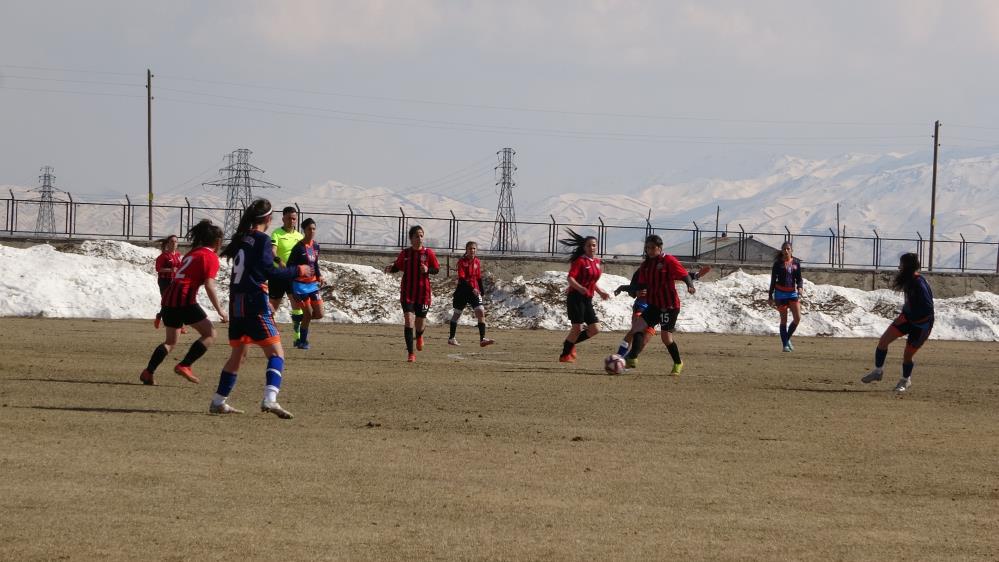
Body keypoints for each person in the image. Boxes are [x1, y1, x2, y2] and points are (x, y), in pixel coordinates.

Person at [210, 199, 310, 418]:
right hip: (254, 302)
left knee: (239, 354)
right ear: (269, 219)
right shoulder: (262, 239)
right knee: (277, 353)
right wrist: (297, 270)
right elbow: (270, 273)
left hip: (237, 303)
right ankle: (270, 399)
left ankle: (218, 401)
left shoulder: (241, 238)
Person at [139, 221, 227, 386]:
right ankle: (185, 365)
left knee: (170, 342)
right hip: (184, 299)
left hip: (169, 299)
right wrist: (220, 310)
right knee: (210, 334)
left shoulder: (192, 253)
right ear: (218, 241)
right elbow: (209, 285)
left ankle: (148, 372)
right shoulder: (210, 256)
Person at [622, 234, 707, 375]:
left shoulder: (668, 260)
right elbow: (642, 284)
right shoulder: (645, 266)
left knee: (666, 338)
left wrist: (690, 285)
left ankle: (678, 363)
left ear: (660, 248)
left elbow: (684, 274)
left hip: (670, 306)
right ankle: (632, 357)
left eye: (653, 248)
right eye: (647, 248)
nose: (650, 250)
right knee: (638, 326)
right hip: (654, 304)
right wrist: (624, 288)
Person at [861, 253, 934, 393]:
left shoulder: (919, 283)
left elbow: (927, 307)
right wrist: (906, 314)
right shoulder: (909, 280)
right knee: (883, 341)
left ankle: (905, 380)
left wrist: (914, 316)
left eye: (901, 264)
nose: (899, 267)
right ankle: (878, 371)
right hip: (907, 318)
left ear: (907, 266)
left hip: (921, 324)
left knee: (907, 356)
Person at [384, 225, 440, 362]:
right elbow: (398, 266)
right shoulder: (405, 253)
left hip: (423, 292)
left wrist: (427, 269)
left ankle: (419, 335)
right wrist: (391, 269)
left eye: (421, 235)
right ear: (411, 239)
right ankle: (411, 353)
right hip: (407, 292)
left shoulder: (428, 253)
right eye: (417, 236)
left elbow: (437, 269)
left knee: (420, 322)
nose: (420, 238)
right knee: (409, 320)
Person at [558, 228, 610, 363]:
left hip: (587, 299)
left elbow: (592, 282)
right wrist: (580, 288)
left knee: (595, 329)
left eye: (594, 245)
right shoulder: (580, 261)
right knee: (577, 328)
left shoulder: (597, 263)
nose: (591, 247)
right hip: (575, 298)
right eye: (589, 245)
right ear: (584, 247)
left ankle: (570, 342)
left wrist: (601, 292)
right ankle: (565, 355)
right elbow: (570, 278)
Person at [447, 241, 495, 347]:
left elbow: (478, 277)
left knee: (480, 311)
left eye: (474, 248)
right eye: (470, 248)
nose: (472, 250)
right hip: (463, 291)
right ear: (466, 250)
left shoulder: (477, 262)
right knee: (456, 315)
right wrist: (472, 288)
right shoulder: (461, 262)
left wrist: (481, 291)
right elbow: (462, 279)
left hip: (474, 292)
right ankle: (451, 338)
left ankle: (482, 339)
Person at [287, 218, 324, 350]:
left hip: (313, 285)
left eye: (314, 229)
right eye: (309, 229)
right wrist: (292, 287)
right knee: (308, 314)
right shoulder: (298, 248)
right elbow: (289, 267)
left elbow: (315, 264)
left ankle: (300, 319)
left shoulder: (316, 246)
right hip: (300, 286)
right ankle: (302, 342)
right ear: (304, 230)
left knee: (319, 314)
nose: (312, 231)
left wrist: (319, 276)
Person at [270, 206, 305, 343]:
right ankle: (270, 334)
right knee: (272, 306)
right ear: (283, 218)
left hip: (293, 276)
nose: (291, 221)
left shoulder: (300, 237)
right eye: (289, 218)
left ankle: (298, 336)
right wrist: (279, 262)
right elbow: (272, 251)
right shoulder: (276, 233)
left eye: (294, 218)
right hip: (278, 275)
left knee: (297, 305)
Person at [768, 241, 804, 352]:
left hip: (792, 293)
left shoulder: (796, 263)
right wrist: (770, 296)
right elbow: (773, 280)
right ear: (782, 251)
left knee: (797, 318)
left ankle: (786, 339)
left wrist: (800, 287)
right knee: (784, 320)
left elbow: (799, 279)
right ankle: (785, 346)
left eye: (788, 249)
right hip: (780, 294)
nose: (786, 251)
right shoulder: (777, 264)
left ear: (792, 250)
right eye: (784, 249)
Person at [153, 234, 181, 330]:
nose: (174, 243)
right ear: (167, 244)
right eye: (171, 241)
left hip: (176, 281)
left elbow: (179, 268)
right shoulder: (163, 256)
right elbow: (158, 268)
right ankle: (166, 321)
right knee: (167, 302)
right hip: (165, 281)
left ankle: (162, 317)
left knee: (177, 302)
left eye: (175, 241)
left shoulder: (178, 255)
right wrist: (170, 270)